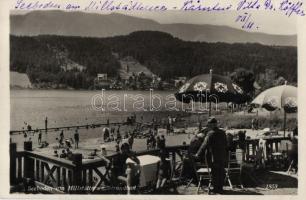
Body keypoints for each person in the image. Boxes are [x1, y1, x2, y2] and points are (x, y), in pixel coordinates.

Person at [195, 117, 228, 194]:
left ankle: (216, 189)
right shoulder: (222, 132)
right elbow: (226, 144)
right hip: (222, 155)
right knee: (221, 171)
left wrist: (198, 154)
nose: (208, 126)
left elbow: (204, 145)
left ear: (212, 125)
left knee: (215, 172)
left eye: (209, 124)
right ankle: (220, 188)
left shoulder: (210, 133)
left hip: (214, 156)